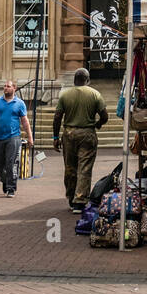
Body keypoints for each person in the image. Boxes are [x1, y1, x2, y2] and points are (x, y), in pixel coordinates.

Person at [53, 68, 107, 214]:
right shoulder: (95, 94)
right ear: (87, 80)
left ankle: (71, 197)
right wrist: (98, 124)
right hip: (87, 133)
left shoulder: (65, 95)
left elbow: (57, 117)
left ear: (74, 80)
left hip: (69, 133)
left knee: (70, 167)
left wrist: (55, 137)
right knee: (85, 168)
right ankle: (80, 201)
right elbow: (104, 116)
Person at [0, 81, 32, 198]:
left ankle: (11, 188)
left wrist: (30, 137)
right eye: (4, 86)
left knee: (11, 163)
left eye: (8, 86)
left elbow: (25, 121)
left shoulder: (19, 103)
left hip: (13, 137)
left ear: (14, 88)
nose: (5, 88)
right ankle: (5, 179)